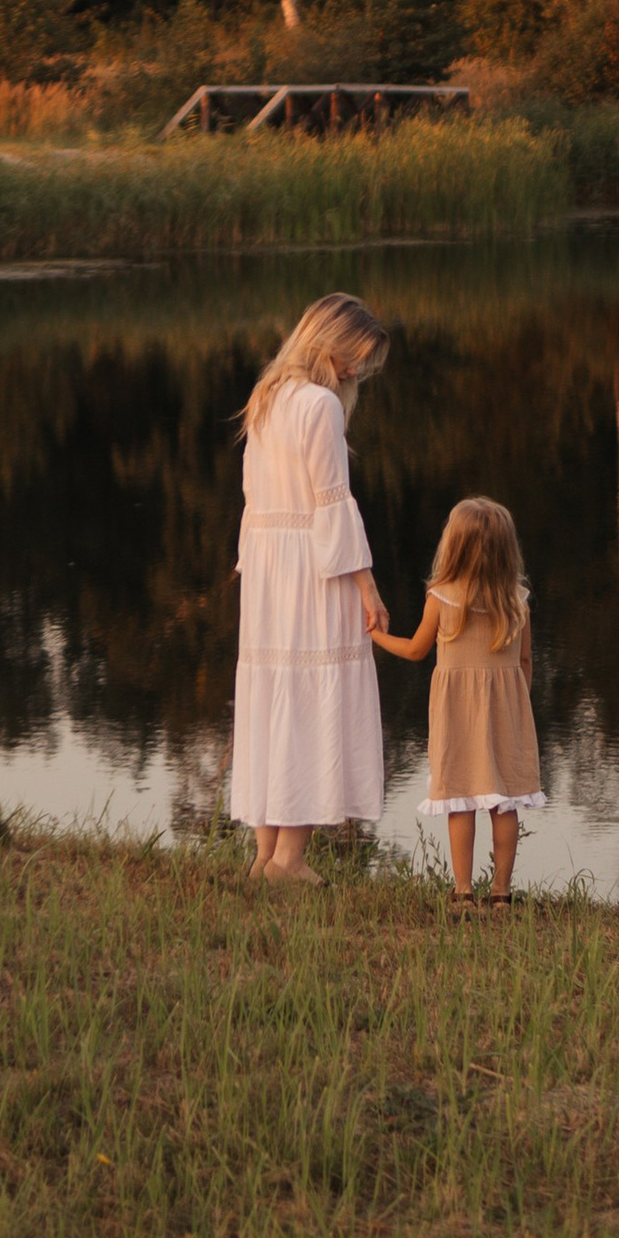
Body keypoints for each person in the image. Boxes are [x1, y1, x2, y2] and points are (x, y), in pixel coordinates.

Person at [229, 291, 392, 883]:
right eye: (355, 358)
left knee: (277, 699)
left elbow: (253, 499)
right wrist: (368, 590)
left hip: (270, 569)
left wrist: (249, 563)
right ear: (330, 343)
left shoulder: (267, 398)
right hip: (309, 569)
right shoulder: (320, 404)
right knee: (305, 695)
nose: (356, 372)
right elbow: (333, 505)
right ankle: (289, 860)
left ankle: (265, 857)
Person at [373, 494, 544, 910]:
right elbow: (524, 662)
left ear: (454, 546)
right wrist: (518, 708)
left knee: (461, 799)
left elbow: (416, 650)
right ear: (507, 549)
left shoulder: (442, 596)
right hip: (508, 712)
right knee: (503, 801)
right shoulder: (516, 599)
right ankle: (502, 894)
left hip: (456, 714)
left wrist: (375, 636)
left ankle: (463, 892)